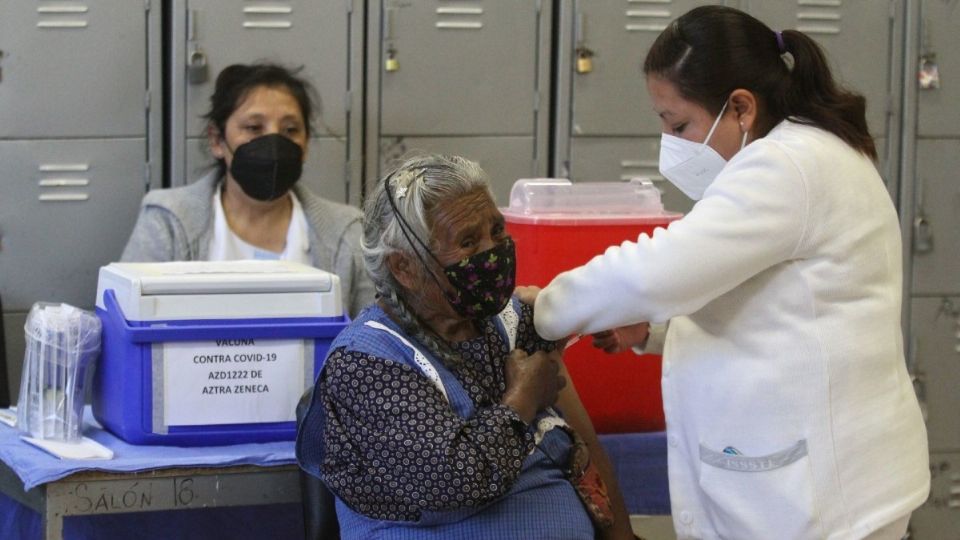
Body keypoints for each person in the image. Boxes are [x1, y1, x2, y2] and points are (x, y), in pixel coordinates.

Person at [533, 6, 929, 540]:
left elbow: (659, 271)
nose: (672, 144)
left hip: (826, 501)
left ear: (741, 107)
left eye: (680, 125)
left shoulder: (786, 167)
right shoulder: (811, 150)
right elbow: (778, 308)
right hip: (836, 483)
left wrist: (542, 308)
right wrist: (653, 332)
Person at [296, 154, 635, 539]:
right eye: (468, 242)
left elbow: (584, 446)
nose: (493, 251)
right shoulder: (367, 362)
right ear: (404, 267)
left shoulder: (511, 324)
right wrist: (523, 399)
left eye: (497, 230)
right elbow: (456, 480)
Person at [121, 63, 374, 317]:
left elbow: (378, 337)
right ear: (217, 141)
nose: (274, 143)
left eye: (290, 130)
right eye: (254, 128)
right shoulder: (167, 222)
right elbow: (126, 319)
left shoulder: (346, 231)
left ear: (305, 144)